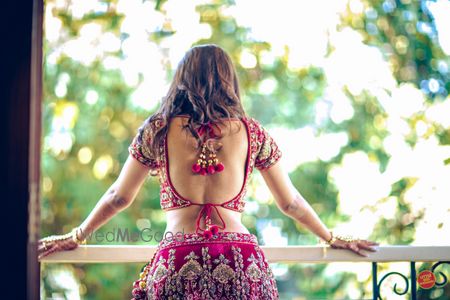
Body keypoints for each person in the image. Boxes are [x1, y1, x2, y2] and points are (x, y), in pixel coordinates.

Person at [38, 44, 378, 299]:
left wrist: (78, 235)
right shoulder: (251, 132)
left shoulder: (157, 130)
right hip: (241, 264)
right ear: (229, 81)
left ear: (181, 81)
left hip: (179, 261)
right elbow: (290, 204)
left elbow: (119, 196)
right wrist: (330, 237)